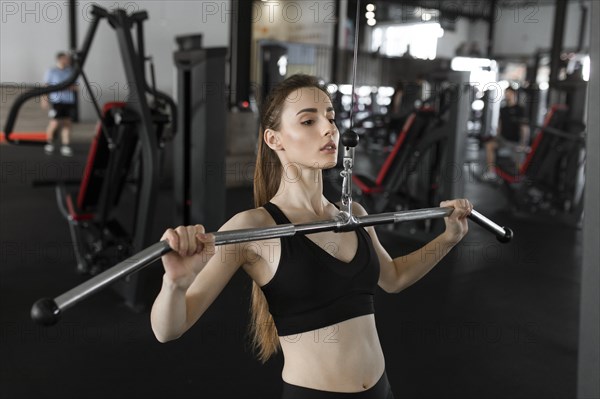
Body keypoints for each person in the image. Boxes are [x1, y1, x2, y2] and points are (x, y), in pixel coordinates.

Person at [150, 74, 473, 398]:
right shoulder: (252, 227)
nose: (329, 128)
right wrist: (175, 284)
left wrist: (448, 238)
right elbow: (169, 329)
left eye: (331, 117)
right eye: (308, 120)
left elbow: (394, 278)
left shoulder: (354, 215)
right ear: (274, 139)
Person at [482, 86, 530, 180]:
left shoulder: (520, 109)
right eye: (506, 93)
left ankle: (518, 180)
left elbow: (524, 128)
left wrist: (523, 144)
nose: (507, 95)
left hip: (515, 142)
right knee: (489, 145)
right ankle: (491, 172)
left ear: (514, 94)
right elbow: (500, 125)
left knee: (519, 165)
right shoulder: (503, 109)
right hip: (503, 140)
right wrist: (496, 137)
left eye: (509, 93)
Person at [41, 52, 76, 156]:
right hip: (56, 102)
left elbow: (76, 87)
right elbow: (45, 86)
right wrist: (44, 99)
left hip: (68, 101)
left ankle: (66, 145)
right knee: (54, 123)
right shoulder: (51, 71)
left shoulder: (71, 71)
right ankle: (49, 143)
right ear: (60, 59)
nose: (68, 60)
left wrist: (68, 87)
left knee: (67, 124)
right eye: (66, 59)